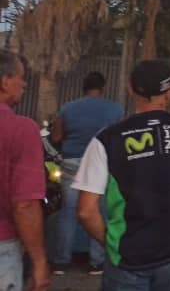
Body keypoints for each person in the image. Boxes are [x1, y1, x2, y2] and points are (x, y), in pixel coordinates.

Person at [72, 60, 170, 291]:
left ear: (130, 89)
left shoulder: (107, 139)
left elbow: (85, 210)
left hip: (126, 258)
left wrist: (111, 243)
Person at [49, 71, 123, 276]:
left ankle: (61, 262)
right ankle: (96, 262)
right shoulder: (115, 109)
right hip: (102, 163)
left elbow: (56, 136)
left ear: (84, 88)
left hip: (72, 162)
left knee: (68, 212)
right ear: (103, 88)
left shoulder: (67, 108)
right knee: (99, 212)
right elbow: (117, 137)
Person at [0, 50, 51, 291]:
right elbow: (25, 205)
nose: (24, 83)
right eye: (21, 77)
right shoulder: (20, 129)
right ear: (4, 81)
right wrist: (40, 261)